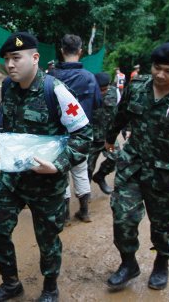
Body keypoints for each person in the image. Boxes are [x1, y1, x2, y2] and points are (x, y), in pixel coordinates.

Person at [0, 32, 92, 302]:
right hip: (12, 178)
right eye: (7, 59)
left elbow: (84, 135)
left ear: (35, 58)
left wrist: (58, 165)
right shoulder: (8, 87)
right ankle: (11, 284)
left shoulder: (55, 90)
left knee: (47, 239)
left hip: (47, 182)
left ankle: (50, 288)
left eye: (16, 58)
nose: (10, 65)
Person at [104, 42, 169, 292]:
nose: (160, 75)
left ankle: (161, 263)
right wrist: (110, 138)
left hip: (166, 174)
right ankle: (128, 263)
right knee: (123, 218)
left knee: (163, 226)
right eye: (156, 68)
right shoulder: (138, 86)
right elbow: (121, 114)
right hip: (132, 165)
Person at [50, 34, 101, 223]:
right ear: (80, 52)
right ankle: (84, 211)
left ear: (61, 51)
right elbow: (97, 104)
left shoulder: (51, 76)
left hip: (57, 135)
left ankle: (63, 215)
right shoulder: (89, 77)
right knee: (80, 172)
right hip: (80, 136)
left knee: (61, 172)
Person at [86, 72, 120, 195]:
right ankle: (85, 192)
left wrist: (125, 128)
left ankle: (100, 176)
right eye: (100, 90)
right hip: (92, 139)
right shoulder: (87, 93)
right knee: (87, 167)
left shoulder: (115, 92)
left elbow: (120, 111)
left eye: (105, 89)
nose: (102, 92)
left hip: (108, 138)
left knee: (115, 157)